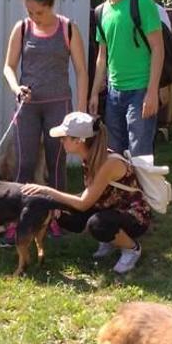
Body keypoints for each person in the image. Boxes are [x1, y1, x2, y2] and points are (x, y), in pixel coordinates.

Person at [2, 0, 88, 242]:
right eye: (30, 12)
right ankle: (18, 221)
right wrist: (16, 87)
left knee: (57, 165)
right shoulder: (22, 28)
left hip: (58, 106)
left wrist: (81, 114)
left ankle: (54, 219)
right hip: (28, 107)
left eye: (39, 12)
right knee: (24, 165)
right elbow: (8, 67)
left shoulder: (68, 29)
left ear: (51, 5)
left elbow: (82, 71)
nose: (34, 17)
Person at [21, 112, 150, 274]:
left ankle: (132, 248)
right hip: (109, 208)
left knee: (97, 224)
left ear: (79, 140)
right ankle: (111, 240)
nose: (61, 141)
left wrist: (47, 190)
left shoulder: (108, 163)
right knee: (63, 213)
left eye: (65, 137)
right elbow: (89, 195)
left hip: (135, 216)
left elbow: (84, 203)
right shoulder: (90, 157)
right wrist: (56, 201)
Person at [91, 0, 164, 157]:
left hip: (140, 92)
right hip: (114, 95)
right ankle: (124, 192)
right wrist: (95, 91)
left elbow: (158, 49)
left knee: (140, 157)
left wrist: (152, 92)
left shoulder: (141, 2)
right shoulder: (100, 11)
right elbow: (102, 56)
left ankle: (146, 192)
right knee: (114, 157)